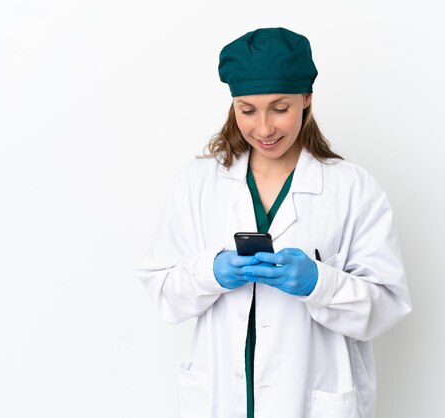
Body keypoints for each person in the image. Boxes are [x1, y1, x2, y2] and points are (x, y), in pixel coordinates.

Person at [137, 27, 412, 418]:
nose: (264, 129)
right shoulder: (195, 183)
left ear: (307, 100)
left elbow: (387, 305)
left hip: (311, 400)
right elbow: (162, 289)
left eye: (280, 108)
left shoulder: (353, 188)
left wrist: (320, 282)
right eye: (247, 110)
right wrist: (209, 273)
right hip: (218, 399)